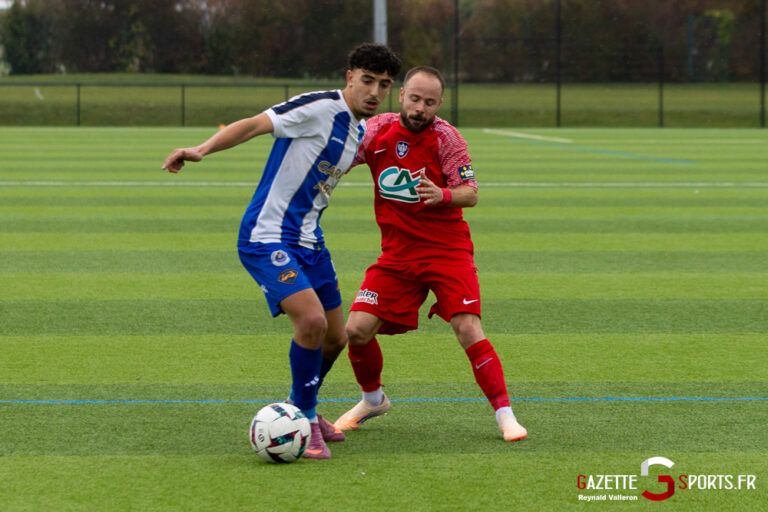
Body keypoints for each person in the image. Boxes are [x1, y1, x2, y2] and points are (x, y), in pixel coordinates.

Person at [161, 43, 402, 459]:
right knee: (310, 322)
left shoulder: (358, 131)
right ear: (349, 78)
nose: (375, 92)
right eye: (367, 80)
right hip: (266, 236)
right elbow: (256, 124)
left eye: (383, 85)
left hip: (310, 241)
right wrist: (202, 148)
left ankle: (296, 405)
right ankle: (305, 419)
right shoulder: (319, 107)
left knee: (336, 338)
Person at [333, 66, 527, 442]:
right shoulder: (376, 130)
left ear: (440, 103)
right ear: (402, 94)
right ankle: (373, 400)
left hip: (446, 249)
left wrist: (444, 195)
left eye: (430, 102)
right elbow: (340, 159)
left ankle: (506, 416)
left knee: (467, 327)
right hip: (396, 254)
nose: (421, 108)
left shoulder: (447, 138)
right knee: (355, 332)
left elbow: (470, 192)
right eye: (416, 99)